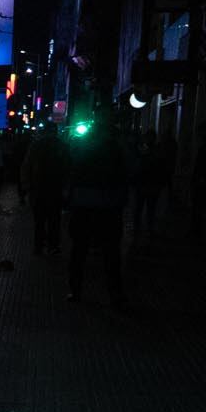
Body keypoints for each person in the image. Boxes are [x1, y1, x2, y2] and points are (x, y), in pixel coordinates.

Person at [64, 108, 136, 307]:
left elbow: (71, 167)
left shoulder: (84, 143)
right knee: (110, 253)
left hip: (85, 203)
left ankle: (76, 290)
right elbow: (131, 169)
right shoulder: (118, 145)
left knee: (80, 251)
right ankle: (115, 294)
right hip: (109, 205)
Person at [23, 124, 65, 255]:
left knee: (39, 221)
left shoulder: (36, 146)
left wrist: (27, 186)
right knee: (54, 220)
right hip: (54, 189)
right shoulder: (61, 146)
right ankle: (52, 245)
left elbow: (26, 166)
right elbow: (68, 167)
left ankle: (39, 246)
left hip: (39, 189)